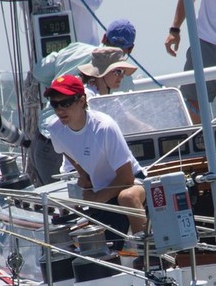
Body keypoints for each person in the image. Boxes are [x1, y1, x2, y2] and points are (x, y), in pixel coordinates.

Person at [29, 19, 137, 185]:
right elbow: (122, 117)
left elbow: (39, 72)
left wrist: (58, 82)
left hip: (43, 140)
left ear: (104, 37)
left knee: (52, 206)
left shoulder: (75, 49)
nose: (120, 76)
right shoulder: (119, 83)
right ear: (130, 49)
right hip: (67, 148)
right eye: (117, 72)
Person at [44, 74, 147, 249]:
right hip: (100, 189)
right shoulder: (55, 129)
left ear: (82, 100)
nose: (60, 109)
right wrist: (83, 174)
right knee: (104, 247)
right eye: (55, 104)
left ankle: (148, 251)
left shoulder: (104, 127)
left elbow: (126, 178)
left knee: (127, 197)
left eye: (66, 103)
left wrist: (96, 198)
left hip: (133, 182)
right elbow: (67, 152)